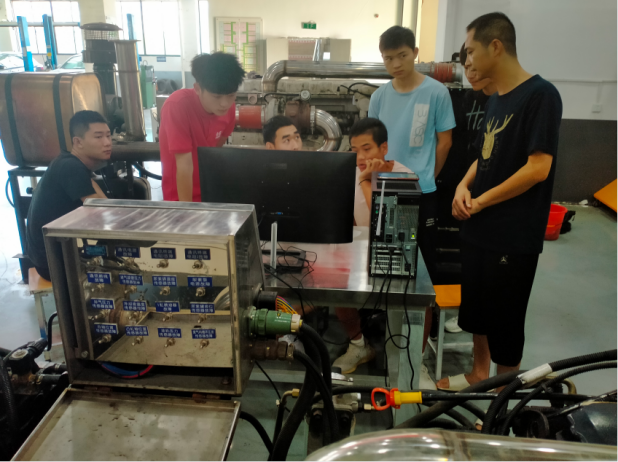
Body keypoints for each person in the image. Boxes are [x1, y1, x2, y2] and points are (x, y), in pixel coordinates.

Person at [437, 12, 562, 391]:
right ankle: (479, 373)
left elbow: (537, 168)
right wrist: (463, 186)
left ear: (495, 46)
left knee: (506, 320)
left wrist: (480, 202)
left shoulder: (540, 95)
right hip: (479, 227)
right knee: (477, 311)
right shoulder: (495, 99)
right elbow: (484, 156)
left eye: (471, 51)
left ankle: (502, 393)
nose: (468, 60)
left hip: (513, 233)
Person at [368, 25, 456, 388]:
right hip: (386, 192)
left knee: (423, 279)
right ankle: (390, 349)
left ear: (415, 53)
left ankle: (416, 361)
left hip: (423, 193)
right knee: (388, 271)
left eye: (402, 56)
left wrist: (427, 177)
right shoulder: (379, 96)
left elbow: (445, 141)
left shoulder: (436, 92)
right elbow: (371, 142)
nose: (395, 64)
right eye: (388, 58)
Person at [332, 118, 414, 375]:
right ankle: (358, 345)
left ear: (384, 147)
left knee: (415, 300)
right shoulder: (351, 173)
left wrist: (367, 181)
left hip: (397, 252)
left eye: (366, 149)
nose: (360, 157)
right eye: (354, 150)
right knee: (336, 283)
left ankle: (414, 360)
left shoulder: (404, 175)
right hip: (362, 250)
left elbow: (388, 226)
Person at [441, 44, 499, 335]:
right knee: (462, 251)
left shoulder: (509, 101)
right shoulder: (462, 98)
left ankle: (475, 312)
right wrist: (460, 184)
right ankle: (463, 308)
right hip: (461, 186)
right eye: (466, 67)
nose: (470, 73)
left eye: (474, 66)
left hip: (492, 197)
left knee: (487, 264)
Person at [26, 110, 109, 281]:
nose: (107, 142)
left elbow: (106, 205)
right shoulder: (70, 167)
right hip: (53, 264)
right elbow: (105, 212)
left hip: (49, 257)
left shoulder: (69, 162)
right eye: (98, 137)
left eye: (108, 136)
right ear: (78, 142)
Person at [159, 52, 245, 202]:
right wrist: (188, 210)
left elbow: (215, 151)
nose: (224, 103)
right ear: (198, 88)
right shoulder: (177, 106)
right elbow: (184, 165)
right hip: (180, 195)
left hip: (210, 190)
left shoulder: (229, 109)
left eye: (231, 95)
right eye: (216, 96)